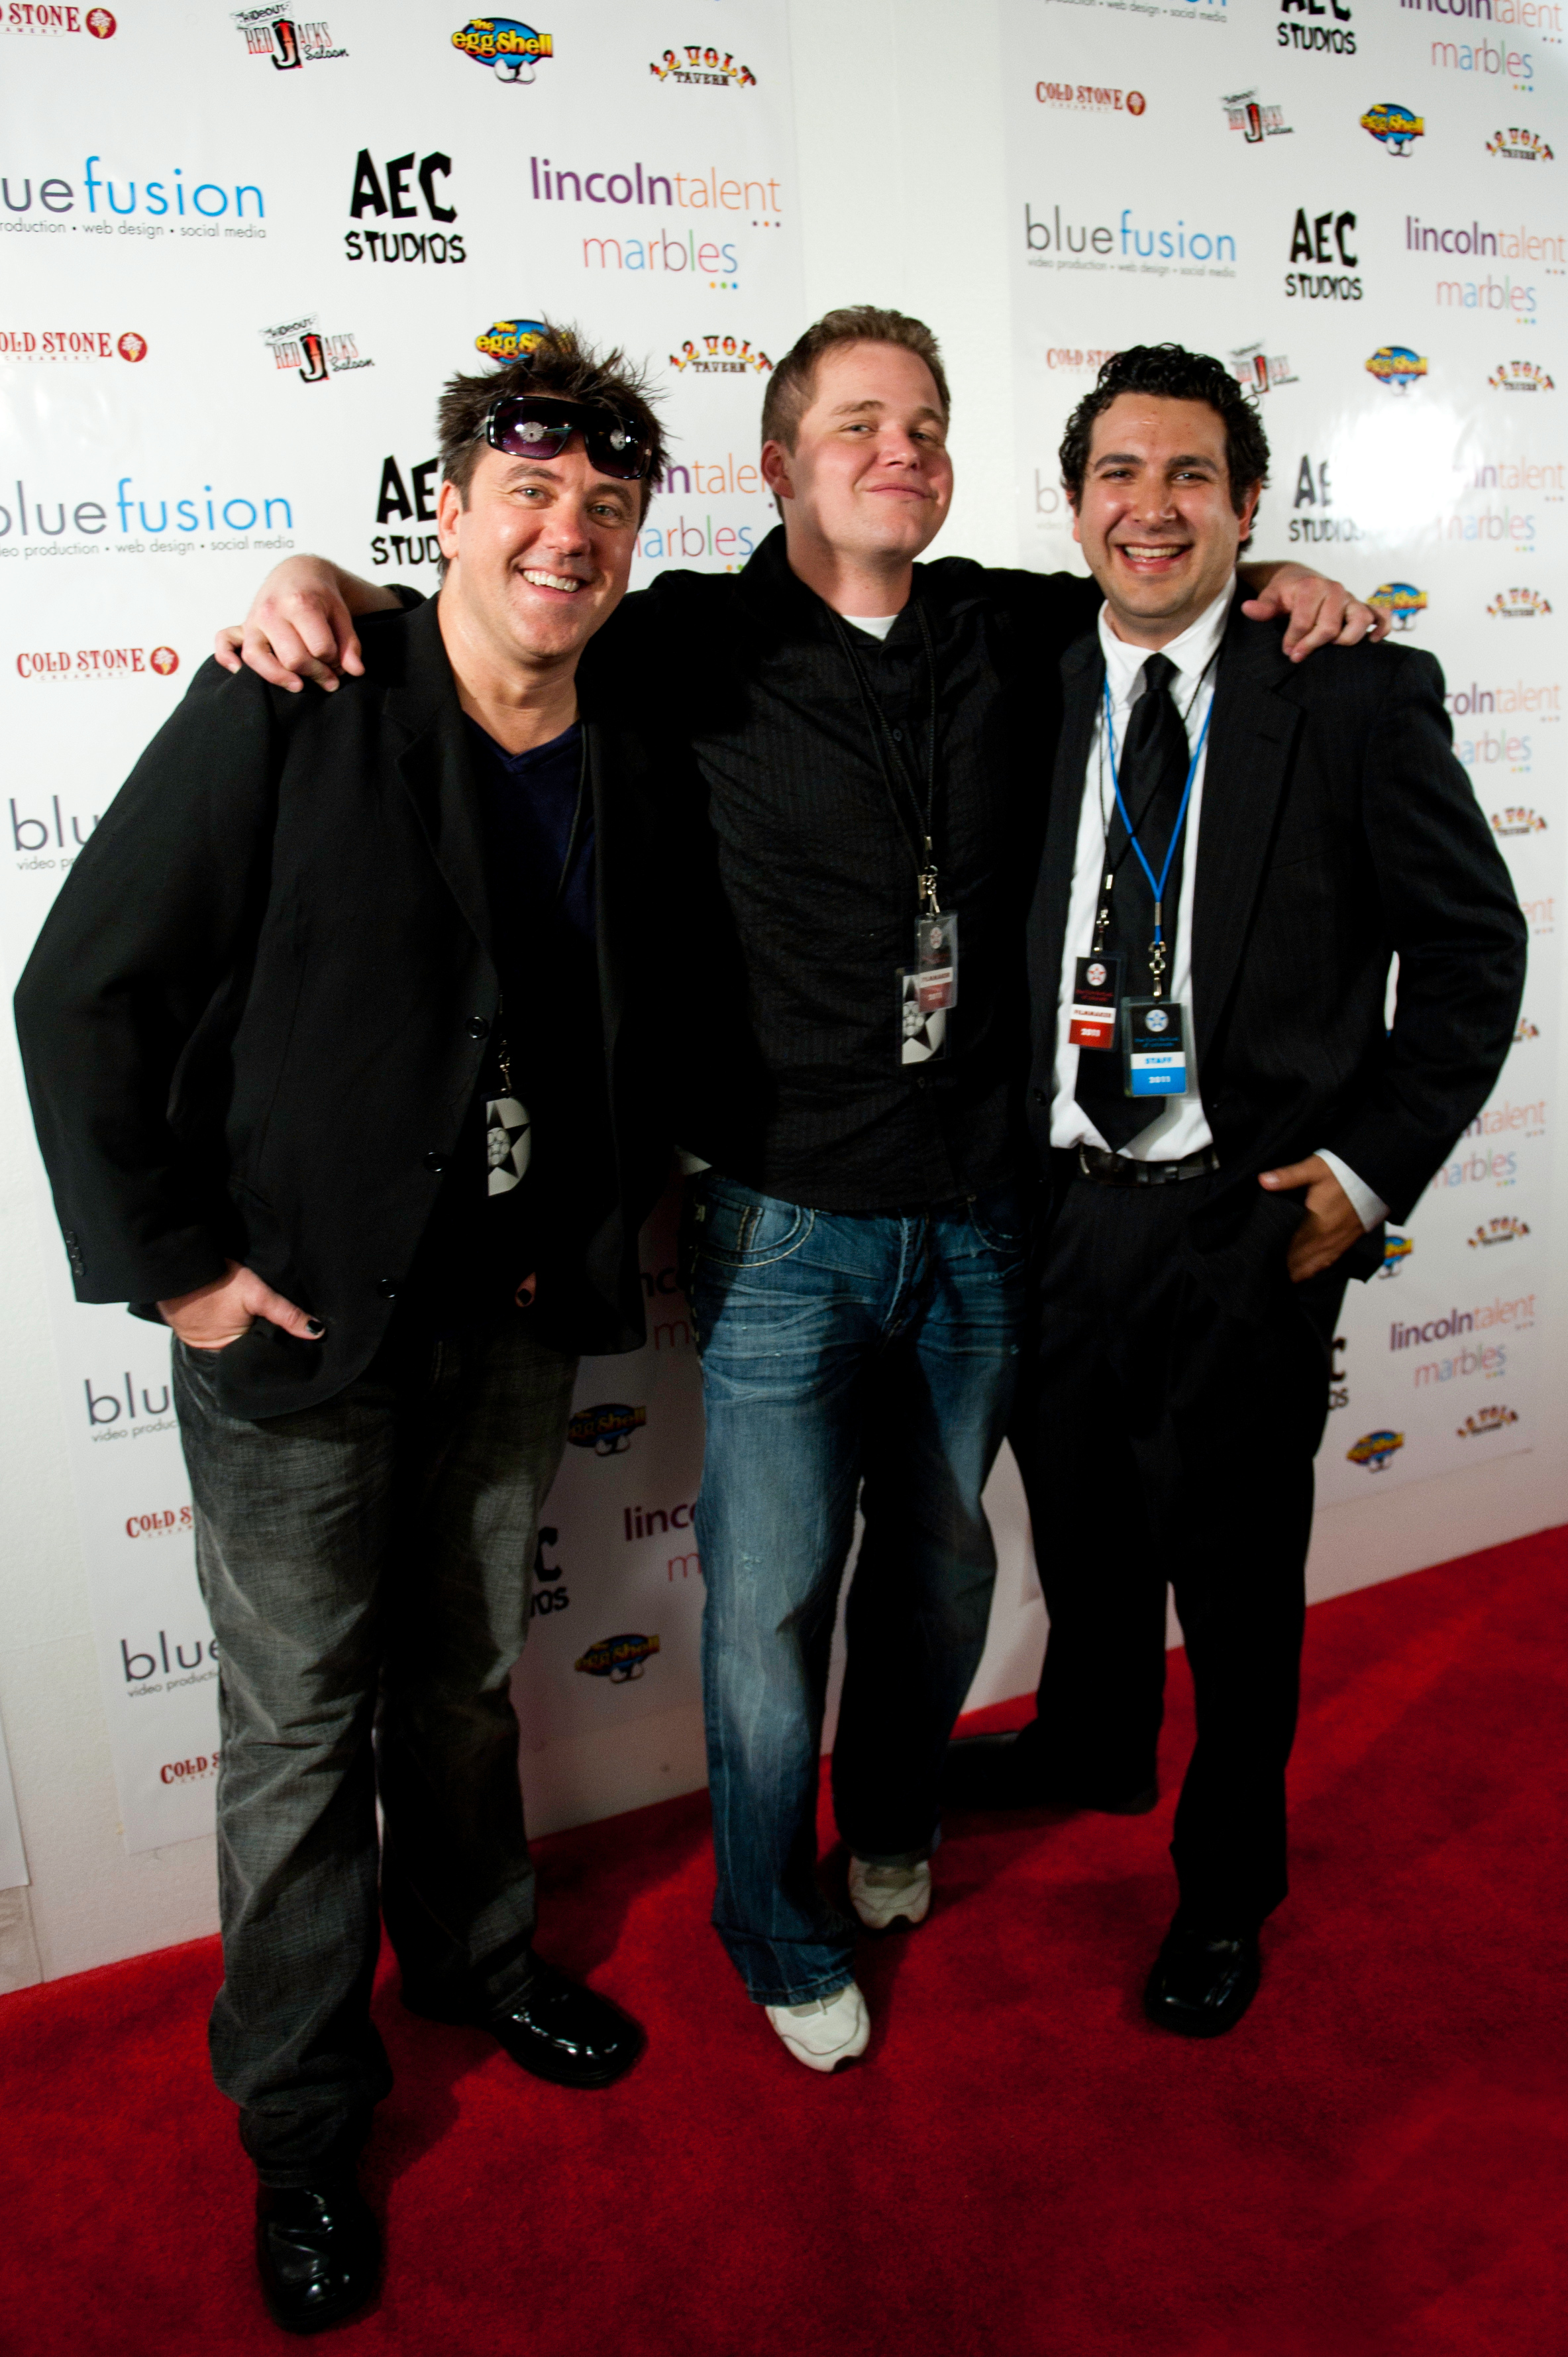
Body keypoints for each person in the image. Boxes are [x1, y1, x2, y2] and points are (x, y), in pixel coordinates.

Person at [215, 307, 1381, 2074]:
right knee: (764, 1605)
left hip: (993, 1223)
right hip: (777, 1231)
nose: (895, 450)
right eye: (856, 424)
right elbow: (497, 616)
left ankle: (893, 1820)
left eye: (923, 422)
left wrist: (1287, 567)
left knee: (933, 1572)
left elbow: (1174, 574)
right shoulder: (683, 636)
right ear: (779, 464)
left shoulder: (1019, 623)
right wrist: (321, 578)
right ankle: (769, 1912)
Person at [15, 329, 676, 2334]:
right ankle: (302, 2125)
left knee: (465, 1673)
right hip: (291, 1322)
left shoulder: (638, 723)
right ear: (451, 507)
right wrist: (180, 1267)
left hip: (510, 1303)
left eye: (607, 507)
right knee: (301, 1733)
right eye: (530, 493)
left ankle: (476, 1955)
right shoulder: (303, 694)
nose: (568, 533)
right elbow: (79, 989)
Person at [945, 344, 1526, 2036]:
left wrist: (1366, 1171)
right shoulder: (1023, 660)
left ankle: (1225, 1883)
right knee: (1079, 1525)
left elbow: (1473, 953)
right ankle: (1091, 1740)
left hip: (1242, 1216)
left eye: (1191, 477)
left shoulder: (1349, 692)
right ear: (1071, 505)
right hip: (1050, 1204)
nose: (1151, 508)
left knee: (1241, 1578)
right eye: (1118, 475)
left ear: (1248, 502)